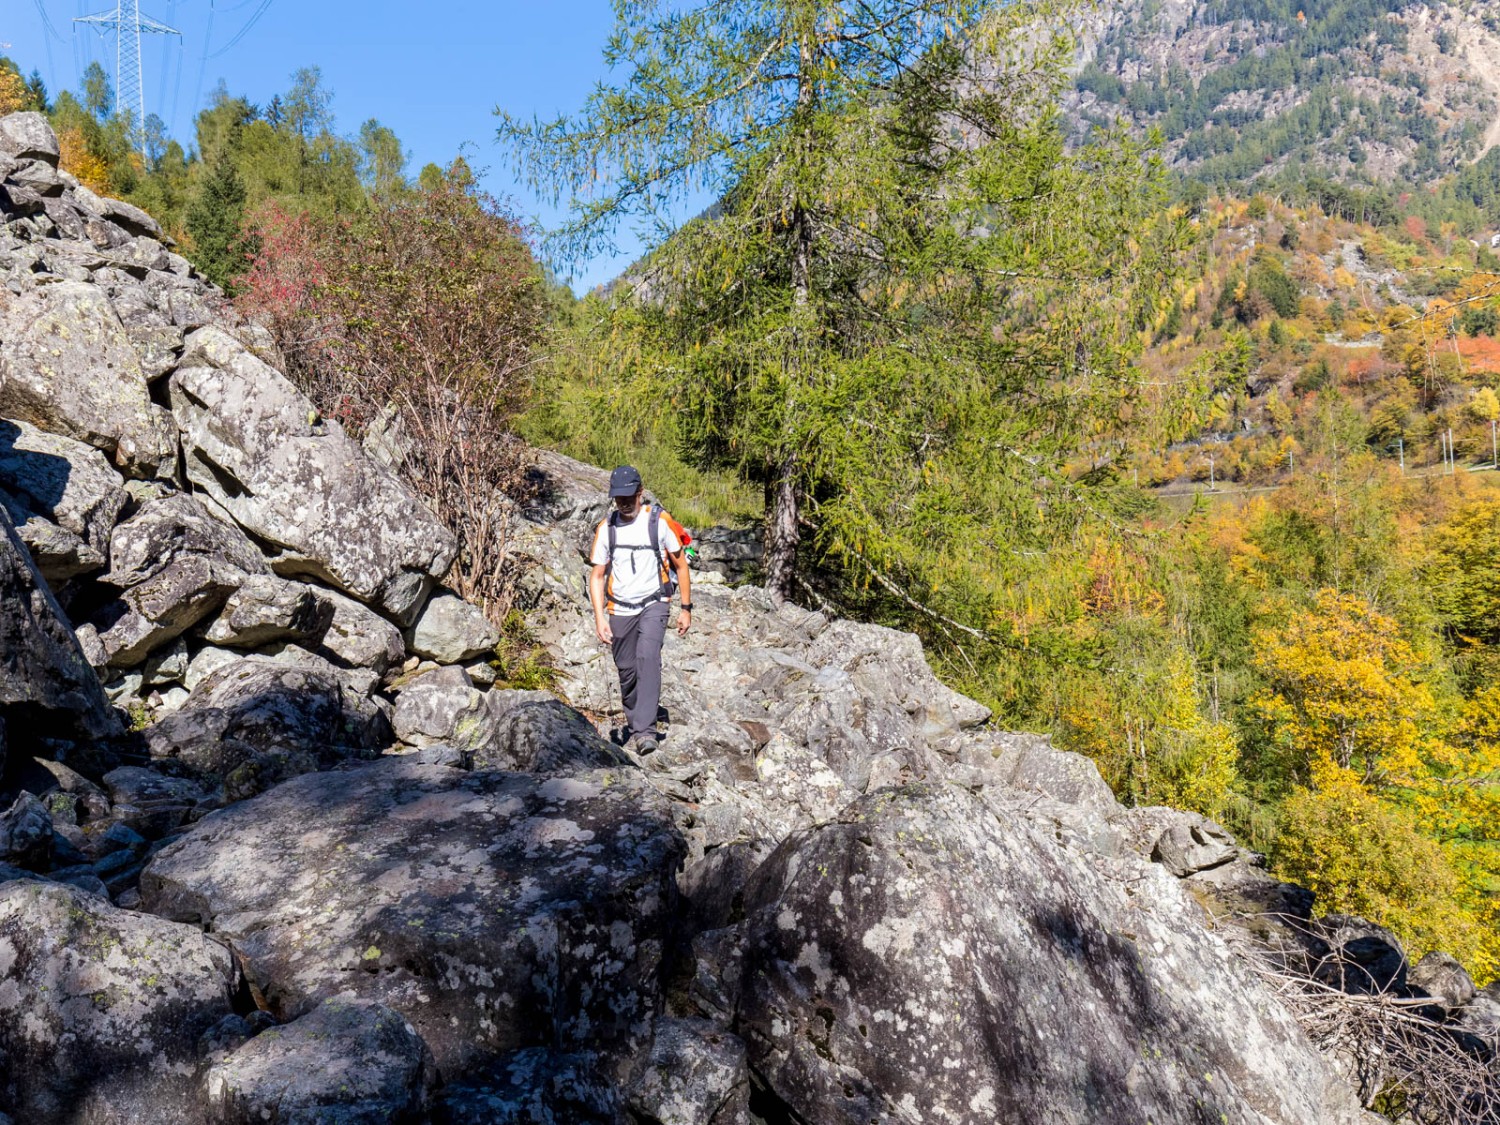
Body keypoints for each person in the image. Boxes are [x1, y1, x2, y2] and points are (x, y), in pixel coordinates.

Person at [589, 465, 693, 750]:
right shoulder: (606, 528)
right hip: (619, 608)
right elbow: (597, 576)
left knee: (648, 658)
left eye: (628, 497)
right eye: (618, 498)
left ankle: (645, 732)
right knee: (626, 669)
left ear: (640, 493)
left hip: (654, 603)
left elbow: (681, 565)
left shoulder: (659, 522)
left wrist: (686, 608)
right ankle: (636, 724)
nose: (623, 504)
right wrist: (600, 618)